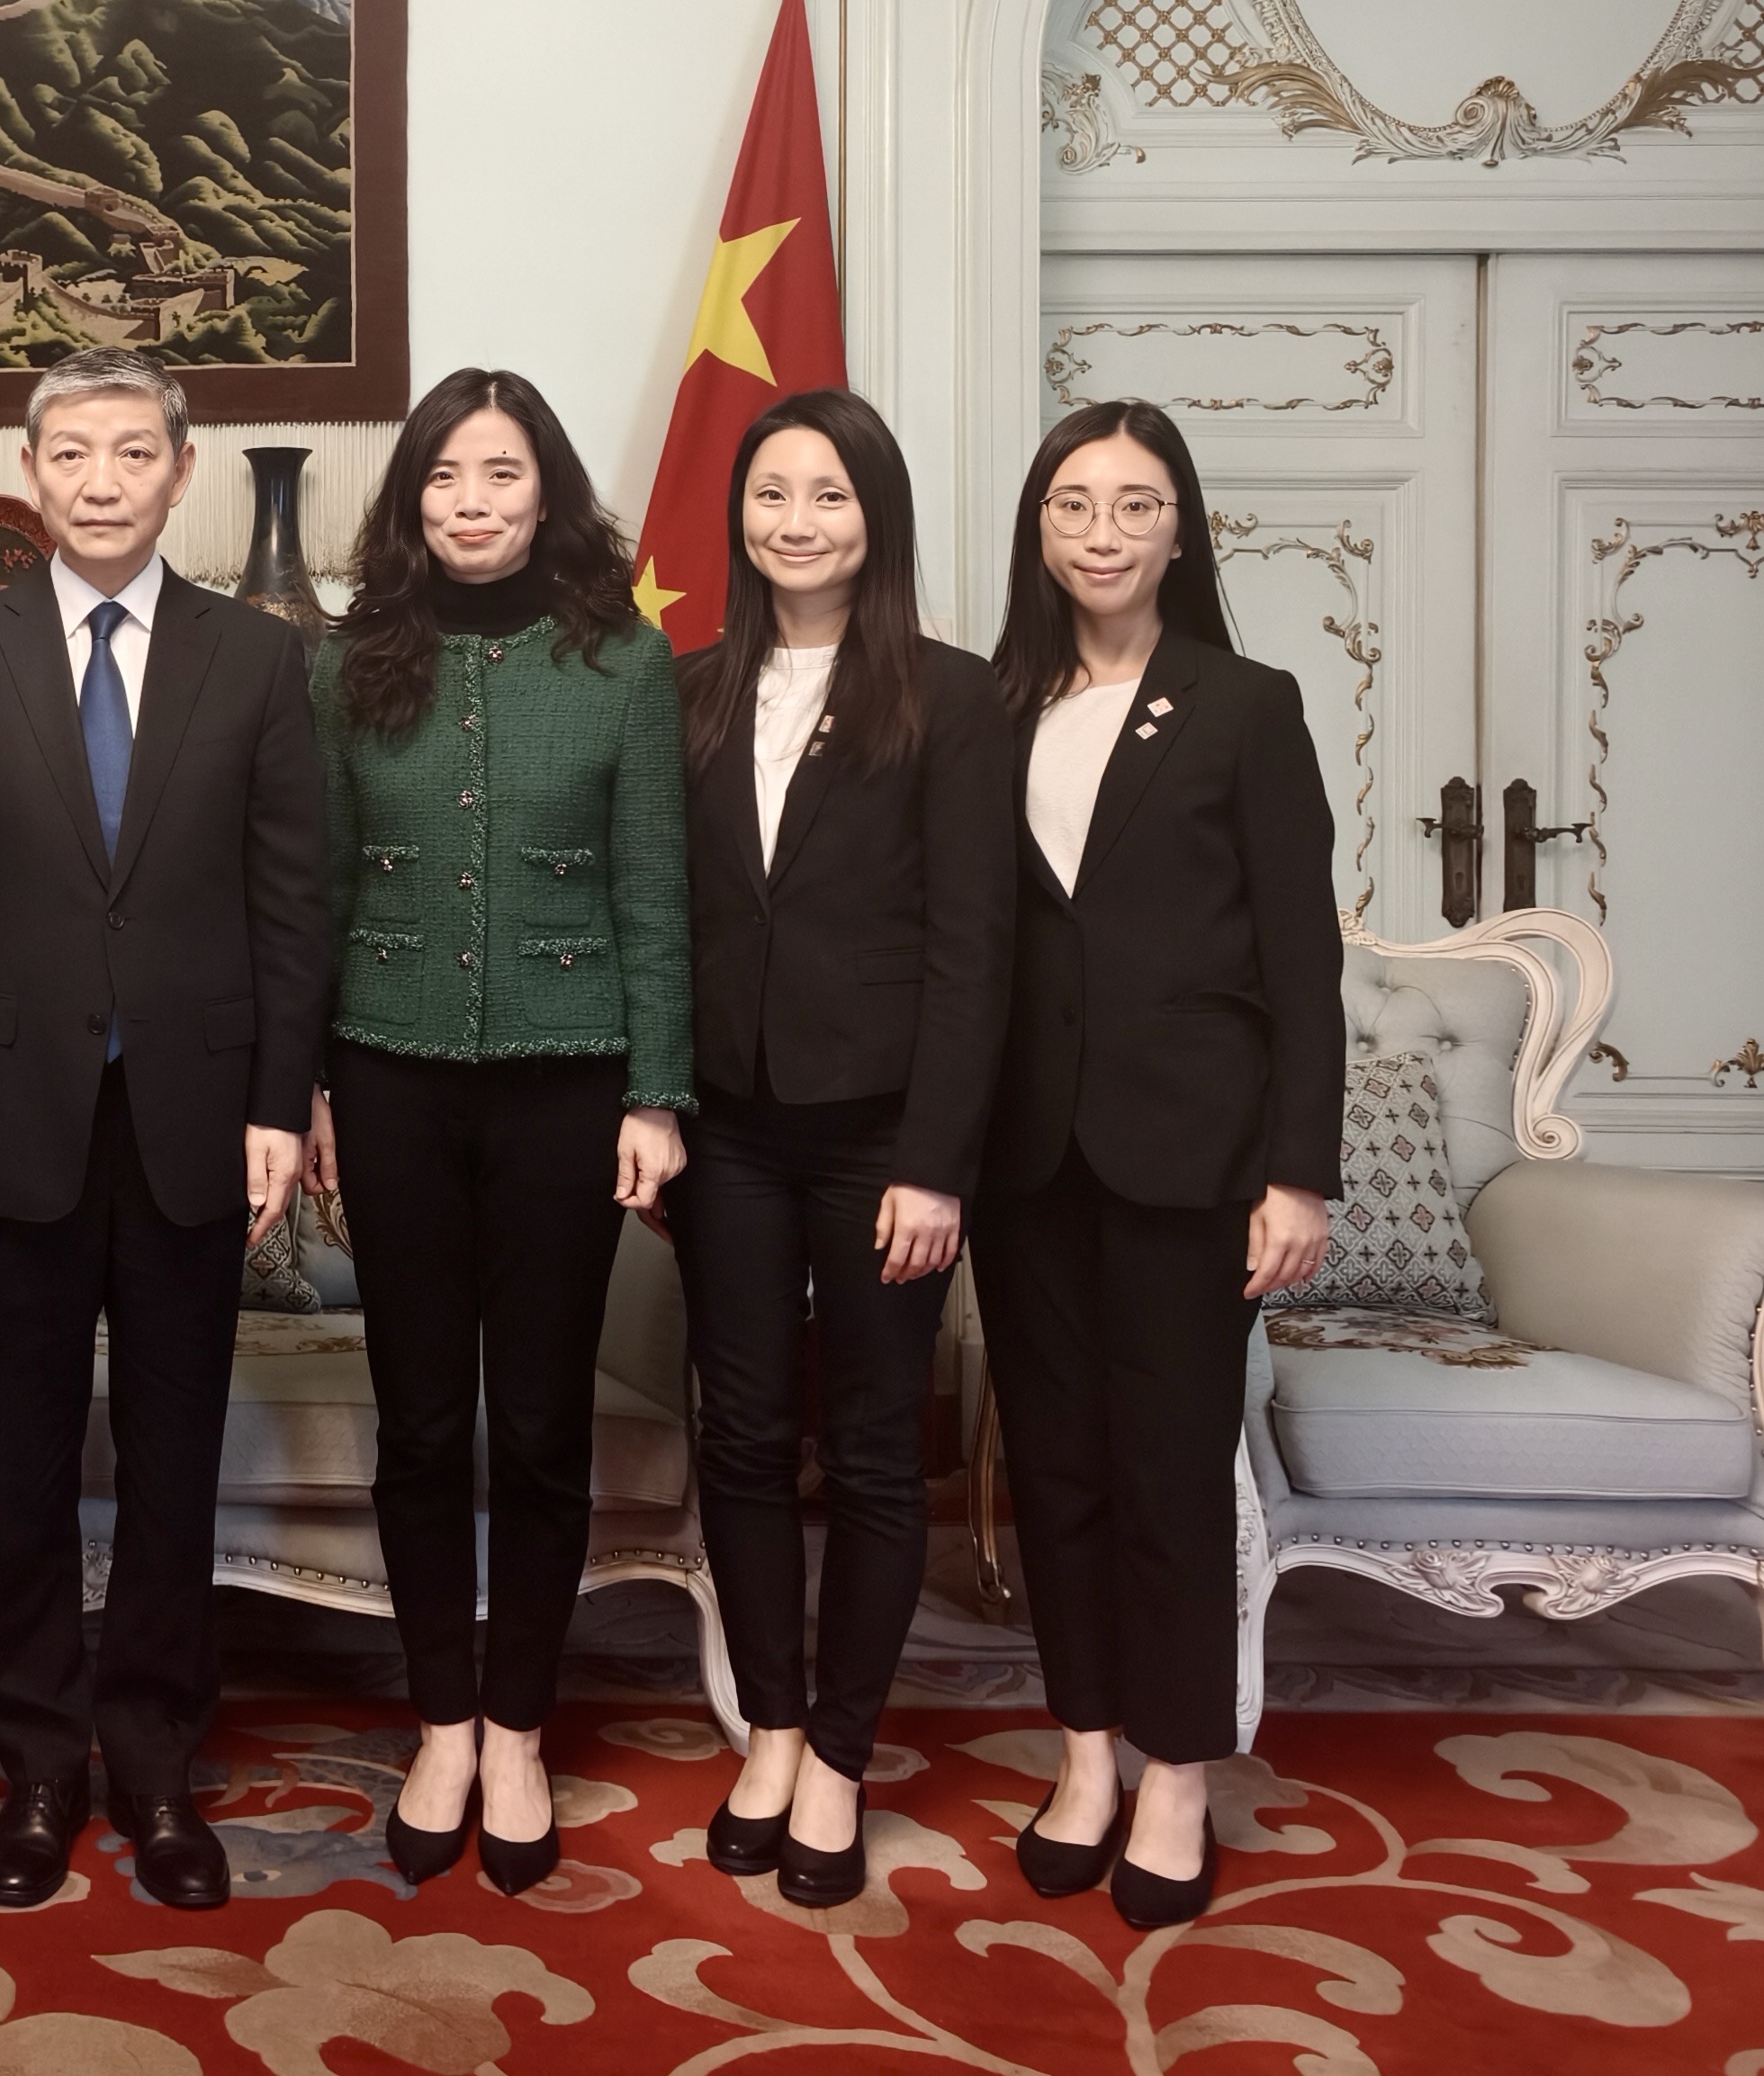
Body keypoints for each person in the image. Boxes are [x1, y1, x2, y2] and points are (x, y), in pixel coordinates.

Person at [0, 348, 330, 1912]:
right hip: (11, 1107)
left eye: (132, 452)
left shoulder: (256, 658)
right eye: (70, 453)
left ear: (180, 471)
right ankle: (36, 1761)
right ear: (32, 469)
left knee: (171, 1452)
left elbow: (293, 902)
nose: (100, 480)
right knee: (21, 1456)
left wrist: (281, 1102)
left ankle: (151, 1759)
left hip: (195, 1110)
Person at [304, 365, 692, 1894]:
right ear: (413, 500)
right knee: (417, 1423)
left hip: (569, 1082)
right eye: (446, 476)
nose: (473, 503)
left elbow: (653, 889)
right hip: (387, 1075)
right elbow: (320, 890)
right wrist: (310, 1089)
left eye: (503, 474)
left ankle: (520, 1726)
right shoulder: (348, 663)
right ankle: (443, 1723)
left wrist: (657, 1093)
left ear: (549, 494)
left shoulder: (624, 661)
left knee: (537, 1424)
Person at [976, 399, 1338, 1930]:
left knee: (1170, 1476)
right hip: (1024, 1157)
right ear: (1038, 530)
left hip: (1192, 1159)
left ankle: (1177, 1773)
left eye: (1135, 505)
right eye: (1073, 505)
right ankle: (1085, 1756)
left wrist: (1298, 1174)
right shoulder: (993, 703)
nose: (1102, 534)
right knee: (1055, 1468)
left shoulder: (1246, 705)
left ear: (1181, 528)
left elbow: (1304, 962)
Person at [668, 389, 1013, 1908]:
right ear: (738, 515)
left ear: (878, 516)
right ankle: (773, 1729)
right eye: (770, 494)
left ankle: (842, 1760)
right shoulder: (686, 690)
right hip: (726, 1131)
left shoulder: (952, 695)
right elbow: (663, 916)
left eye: (827, 494)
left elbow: (976, 952)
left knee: (875, 1452)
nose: (795, 521)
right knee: (742, 1439)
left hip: (885, 1141)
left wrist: (939, 1162)